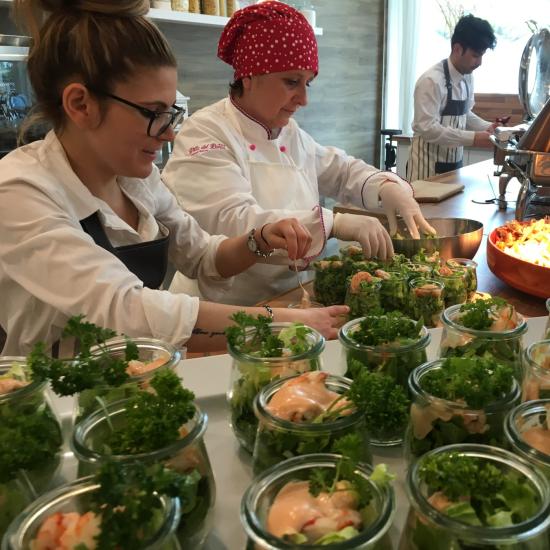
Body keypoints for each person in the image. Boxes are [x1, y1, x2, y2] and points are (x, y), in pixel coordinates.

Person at [0, 0, 349, 356]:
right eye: (153, 113)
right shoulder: (20, 192)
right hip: (50, 403)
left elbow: (202, 256)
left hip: (137, 378)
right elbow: (125, 309)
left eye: (171, 113)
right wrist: (283, 323)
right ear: (80, 104)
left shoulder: (136, 180)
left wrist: (258, 240)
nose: (169, 134)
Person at [162, 0, 435, 307]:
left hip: (286, 298)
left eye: (308, 83)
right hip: (223, 307)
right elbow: (233, 222)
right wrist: (336, 223)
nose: (303, 98)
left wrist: (387, 188)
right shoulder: (205, 132)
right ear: (249, 76)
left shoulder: (288, 133)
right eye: (292, 81)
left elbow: (339, 169)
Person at [406, 14, 498, 181]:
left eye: (482, 55)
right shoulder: (431, 81)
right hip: (426, 170)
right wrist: (474, 138)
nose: (480, 63)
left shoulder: (467, 77)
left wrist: (488, 127)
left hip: (454, 167)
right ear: (457, 49)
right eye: (476, 55)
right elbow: (427, 129)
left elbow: (465, 114)